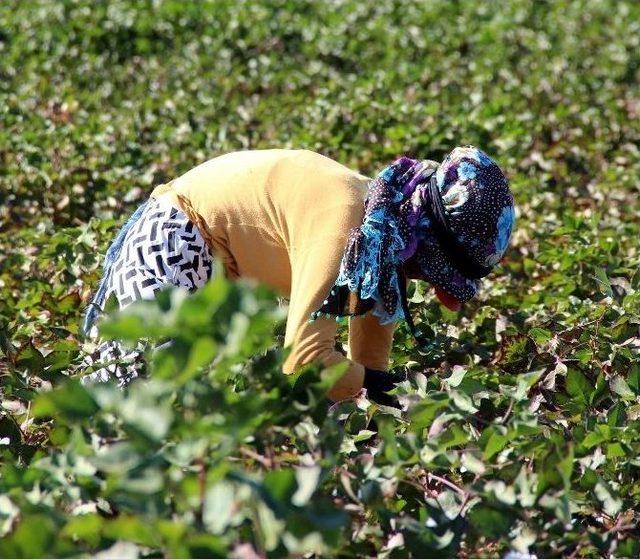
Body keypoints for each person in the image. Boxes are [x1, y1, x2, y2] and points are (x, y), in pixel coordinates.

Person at [81, 146, 515, 404]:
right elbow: (305, 362)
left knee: (197, 415)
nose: (431, 286)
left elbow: (368, 366)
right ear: (424, 240)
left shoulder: (383, 240)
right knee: (126, 404)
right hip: (177, 239)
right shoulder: (348, 226)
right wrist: (384, 386)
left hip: (221, 275)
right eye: (435, 271)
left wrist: (390, 406)